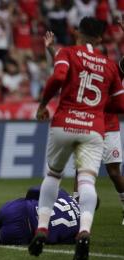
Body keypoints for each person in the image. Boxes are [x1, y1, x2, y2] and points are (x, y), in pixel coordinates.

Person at [28, 17, 124, 260]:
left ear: (76, 32)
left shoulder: (68, 53)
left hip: (64, 122)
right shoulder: (109, 65)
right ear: (101, 39)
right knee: (86, 180)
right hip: (93, 127)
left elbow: (59, 77)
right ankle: (84, 231)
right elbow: (120, 104)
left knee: (53, 175)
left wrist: (42, 104)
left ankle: (41, 228)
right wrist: (98, 105)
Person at [44, 29, 124, 226]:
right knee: (82, 168)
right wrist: (51, 48)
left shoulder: (112, 68)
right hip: (90, 124)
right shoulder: (83, 67)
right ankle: (77, 211)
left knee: (114, 172)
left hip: (109, 126)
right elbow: (63, 64)